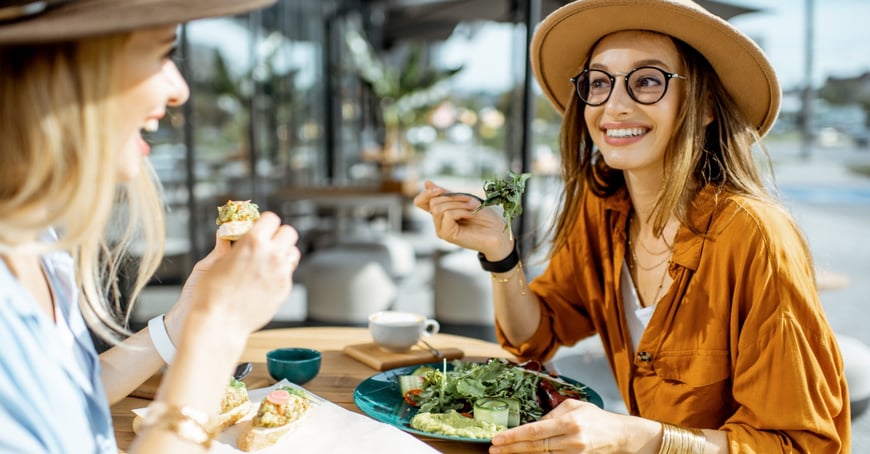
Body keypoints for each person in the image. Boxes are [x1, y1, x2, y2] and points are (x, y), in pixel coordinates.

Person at [414, 0, 850, 452]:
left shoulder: (755, 236)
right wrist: (499, 251)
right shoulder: (602, 208)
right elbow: (534, 337)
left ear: (703, 106)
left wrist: (636, 436)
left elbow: (798, 445)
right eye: (599, 83)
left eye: (646, 81)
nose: (614, 105)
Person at [0, 0, 302, 452]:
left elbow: (67, 398)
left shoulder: (35, 241)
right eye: (162, 53)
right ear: (60, 69)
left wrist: (182, 321)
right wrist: (217, 330)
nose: (179, 88)